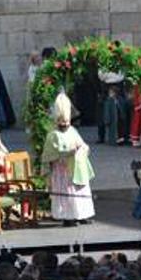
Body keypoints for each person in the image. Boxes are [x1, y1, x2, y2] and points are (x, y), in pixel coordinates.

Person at [42, 92, 96, 226]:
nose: (65, 125)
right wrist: (69, 152)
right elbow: (52, 153)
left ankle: (82, 215)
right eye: (63, 123)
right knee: (67, 194)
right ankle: (68, 217)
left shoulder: (72, 130)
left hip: (77, 168)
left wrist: (83, 148)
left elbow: (81, 144)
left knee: (81, 191)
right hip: (63, 172)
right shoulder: (52, 135)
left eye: (67, 122)